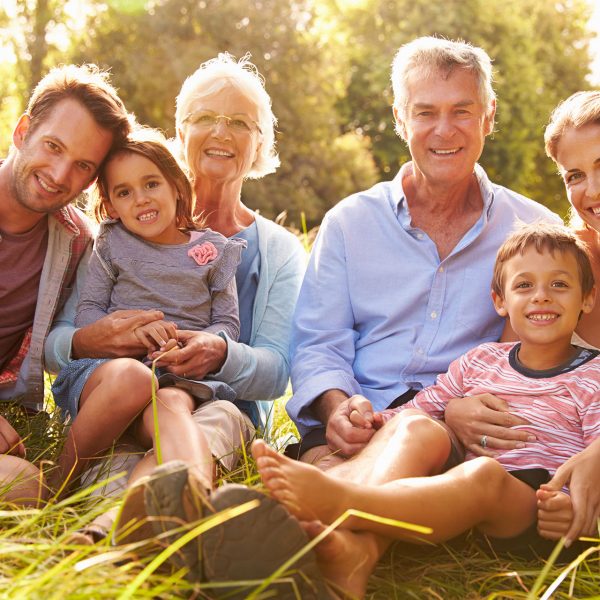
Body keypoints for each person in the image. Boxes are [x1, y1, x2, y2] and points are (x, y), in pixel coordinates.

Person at [253, 222, 600, 599]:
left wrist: (579, 511)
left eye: (560, 285)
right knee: (419, 427)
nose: (541, 297)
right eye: (524, 285)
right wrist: (368, 419)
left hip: (540, 507)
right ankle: (350, 552)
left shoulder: (594, 374)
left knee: (483, 473)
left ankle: (343, 501)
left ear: (588, 298)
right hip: (461, 495)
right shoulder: (480, 361)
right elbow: (422, 406)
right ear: (500, 301)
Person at [286, 35, 558, 472]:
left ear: (489, 116)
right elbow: (318, 342)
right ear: (400, 118)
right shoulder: (350, 222)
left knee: (388, 453)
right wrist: (335, 408)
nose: (444, 130)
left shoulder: (535, 231)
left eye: (462, 111)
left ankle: (325, 506)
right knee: (327, 463)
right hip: (356, 415)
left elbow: (549, 350)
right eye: (425, 113)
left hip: (454, 429)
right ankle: (343, 523)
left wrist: (464, 404)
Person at [50, 129, 245, 492]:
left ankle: (191, 497)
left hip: (177, 375)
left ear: (176, 185)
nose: (140, 199)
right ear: (111, 206)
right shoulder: (111, 242)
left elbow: (227, 323)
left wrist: (198, 343)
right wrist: (124, 335)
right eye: (124, 192)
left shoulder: (215, 250)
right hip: (109, 375)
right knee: (135, 378)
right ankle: (59, 483)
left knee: (170, 399)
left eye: (151, 184)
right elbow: (89, 310)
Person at [444, 90, 600, 543]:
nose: (591, 191)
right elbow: (510, 369)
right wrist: (456, 409)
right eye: (575, 175)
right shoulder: (562, 266)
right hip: (541, 480)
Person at [0, 64, 131, 503]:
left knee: (21, 486)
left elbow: (67, 342)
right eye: (53, 146)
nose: (58, 174)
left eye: (81, 166)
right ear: (22, 132)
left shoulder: (76, 243)